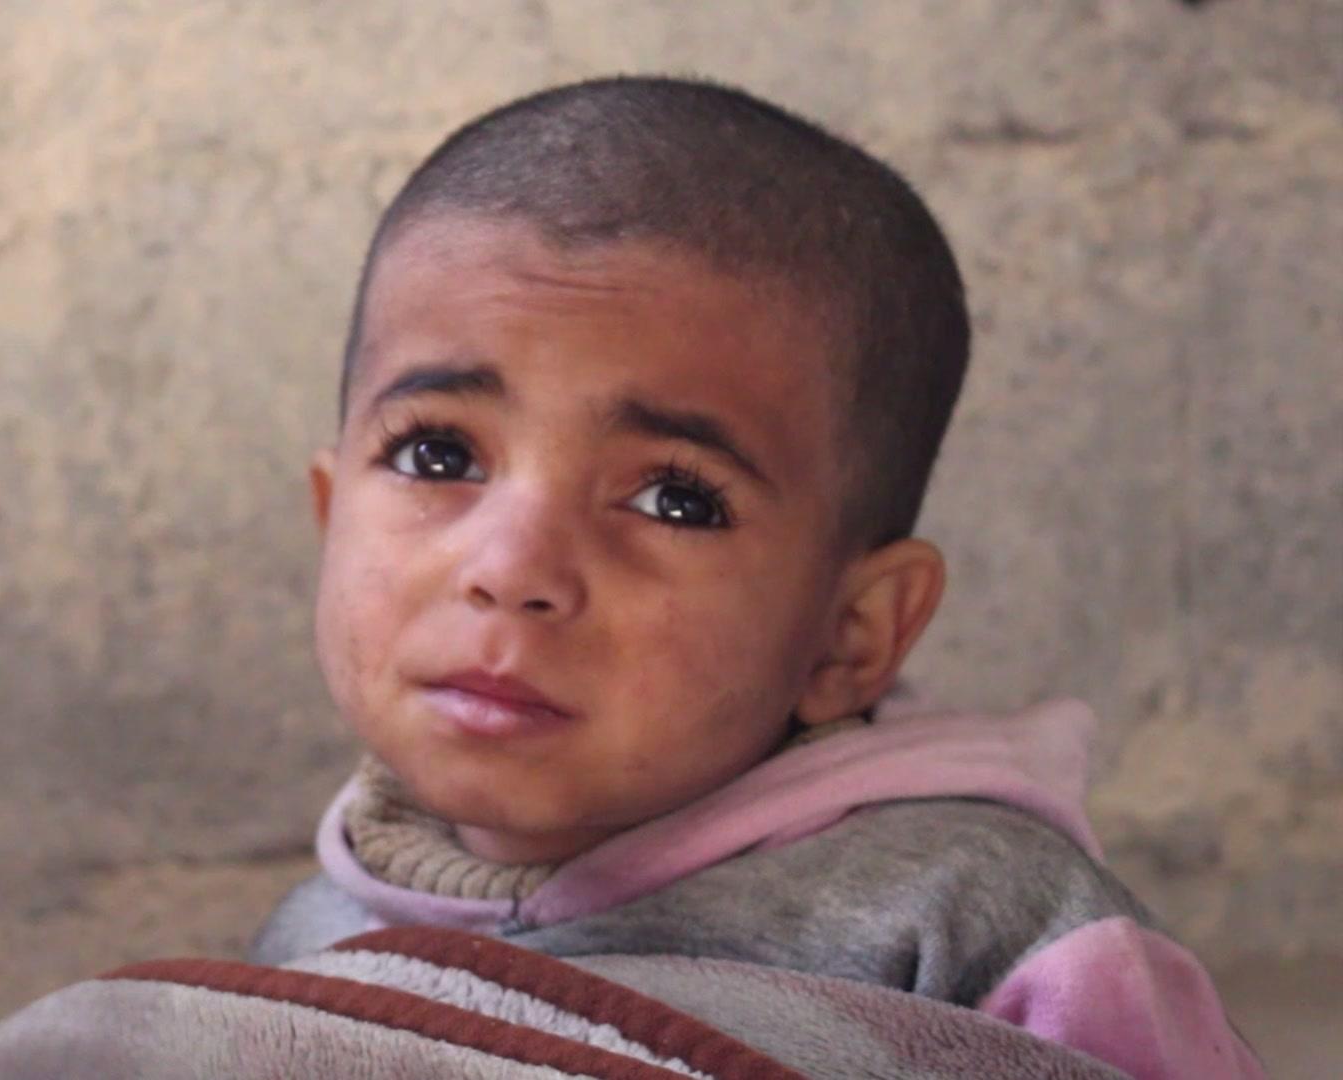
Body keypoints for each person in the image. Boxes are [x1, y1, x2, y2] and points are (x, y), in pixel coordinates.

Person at [250, 76, 1262, 1079]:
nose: (513, 573)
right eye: (438, 456)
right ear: (332, 515)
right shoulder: (312, 944)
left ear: (850, 633)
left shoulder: (976, 930)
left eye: (675, 501)